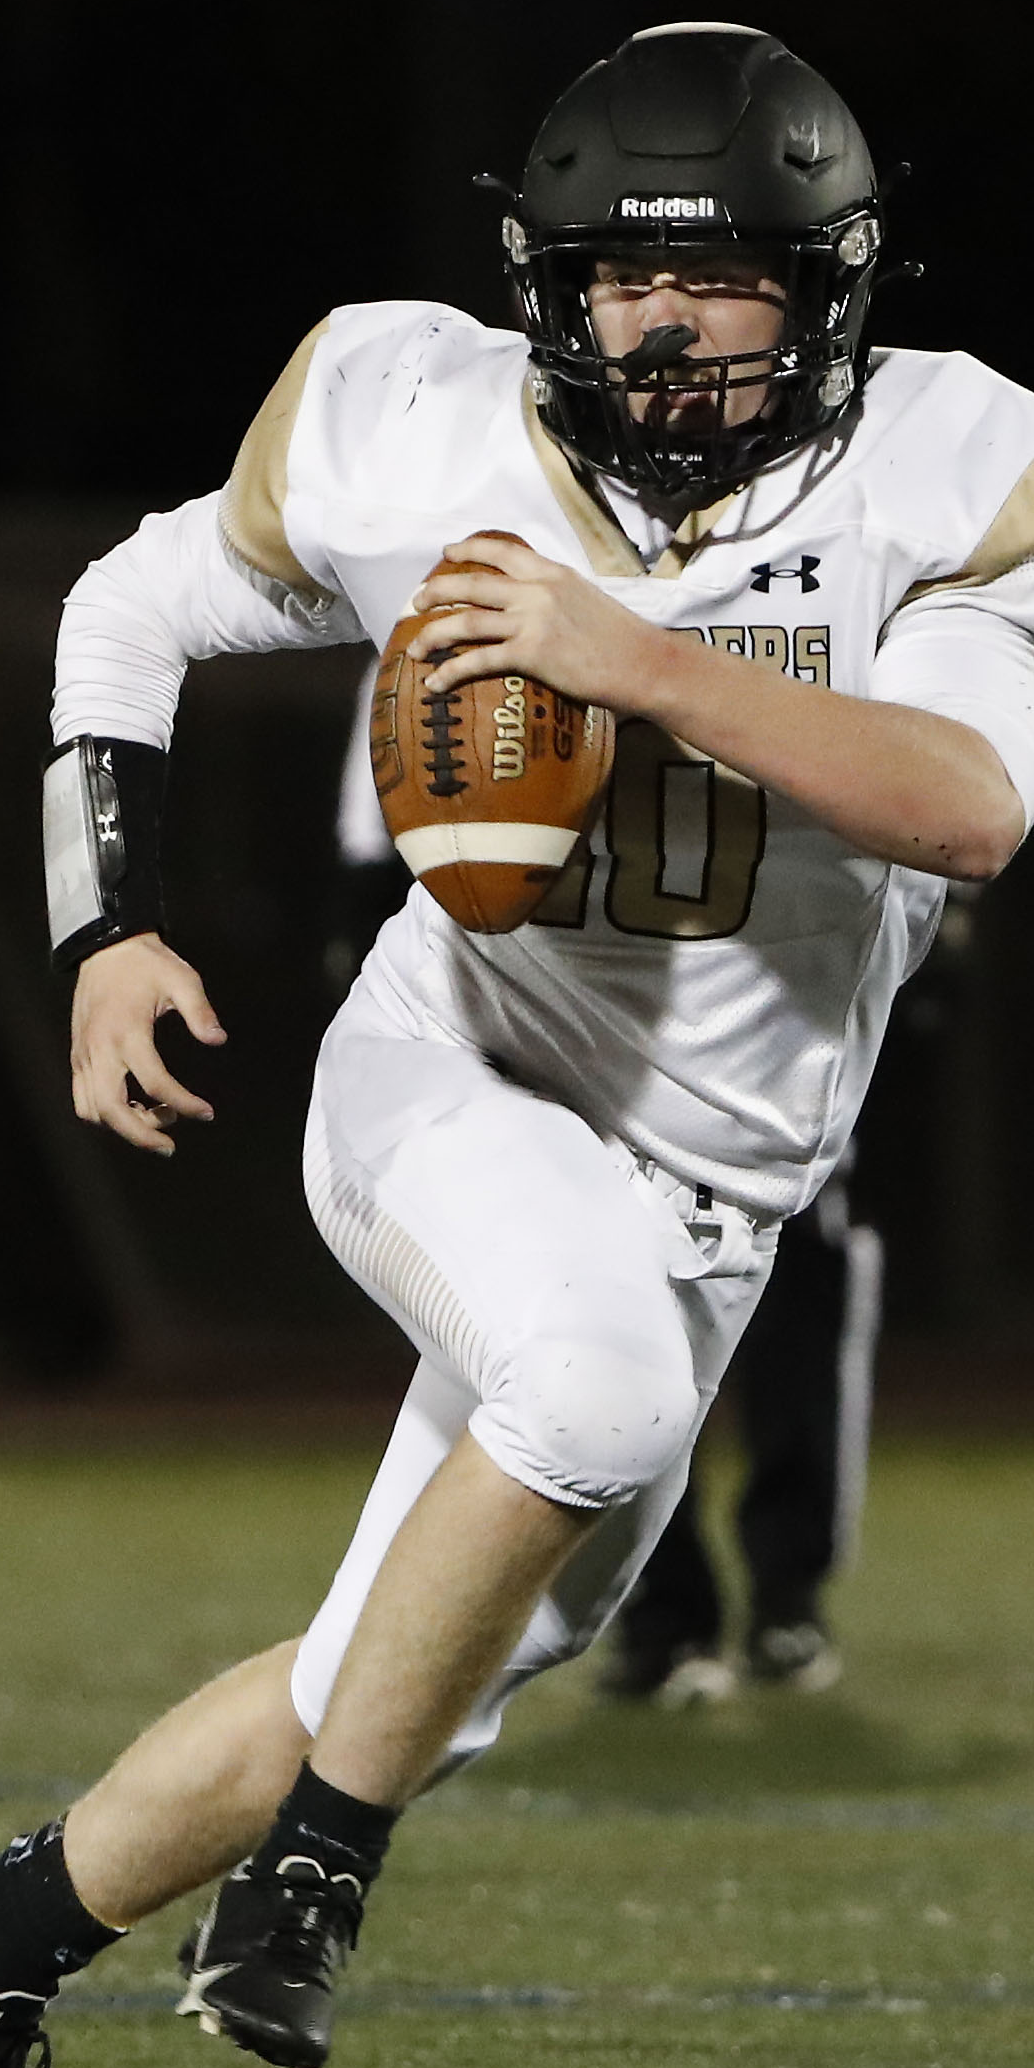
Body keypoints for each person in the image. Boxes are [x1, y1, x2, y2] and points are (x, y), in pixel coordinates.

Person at [0, 20, 1034, 2068]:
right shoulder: (410, 417)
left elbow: (971, 801)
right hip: (457, 1068)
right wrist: (107, 929)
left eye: (721, 274)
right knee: (593, 1384)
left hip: (723, 1183)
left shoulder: (952, 467)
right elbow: (128, 608)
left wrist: (631, 659)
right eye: (620, 275)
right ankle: (314, 1886)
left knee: (398, 1673)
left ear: (828, 289)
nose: (659, 322)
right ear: (544, 280)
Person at [318, 656, 886, 1705]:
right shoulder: (459, 618)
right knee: (591, 1354)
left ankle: (786, 1589)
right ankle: (665, 1619)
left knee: (796, 1297)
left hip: (752, 1050)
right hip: (566, 1063)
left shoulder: (794, 609)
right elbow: (382, 854)